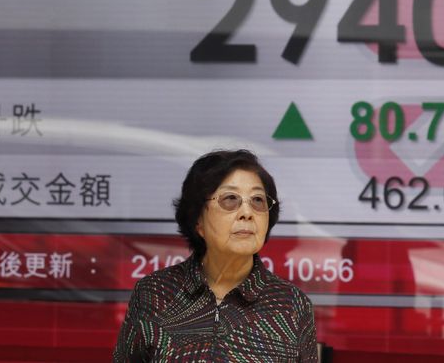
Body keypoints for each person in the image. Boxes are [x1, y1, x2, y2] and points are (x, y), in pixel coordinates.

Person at [113, 150, 318, 362]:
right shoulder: (155, 293)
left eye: (258, 200)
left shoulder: (291, 304)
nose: (247, 212)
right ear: (198, 220)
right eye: (230, 199)